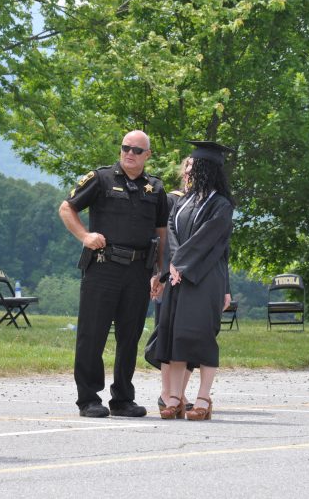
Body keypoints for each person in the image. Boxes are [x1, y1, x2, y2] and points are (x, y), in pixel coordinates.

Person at [58, 130, 168, 418]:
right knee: (92, 334)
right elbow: (66, 208)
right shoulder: (101, 178)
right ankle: (88, 399)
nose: (130, 153)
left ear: (147, 155)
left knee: (129, 336)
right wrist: (85, 236)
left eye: (137, 150)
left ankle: (122, 398)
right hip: (103, 266)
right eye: (125, 147)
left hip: (138, 269)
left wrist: (160, 272)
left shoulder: (155, 188)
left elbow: (161, 232)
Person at [155, 140, 235, 421]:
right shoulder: (184, 200)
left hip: (206, 277)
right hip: (180, 276)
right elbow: (172, 231)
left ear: (205, 169)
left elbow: (207, 239)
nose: (188, 170)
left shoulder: (221, 205)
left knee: (201, 336)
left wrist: (181, 263)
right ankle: (175, 398)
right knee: (176, 336)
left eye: (194, 165)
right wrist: (174, 265)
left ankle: (203, 398)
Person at [144, 157, 193, 412]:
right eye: (187, 169)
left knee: (191, 337)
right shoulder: (173, 200)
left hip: (195, 280)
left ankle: (180, 393)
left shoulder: (209, 203)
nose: (189, 174)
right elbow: (162, 241)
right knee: (167, 335)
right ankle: (167, 393)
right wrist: (160, 275)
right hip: (170, 278)